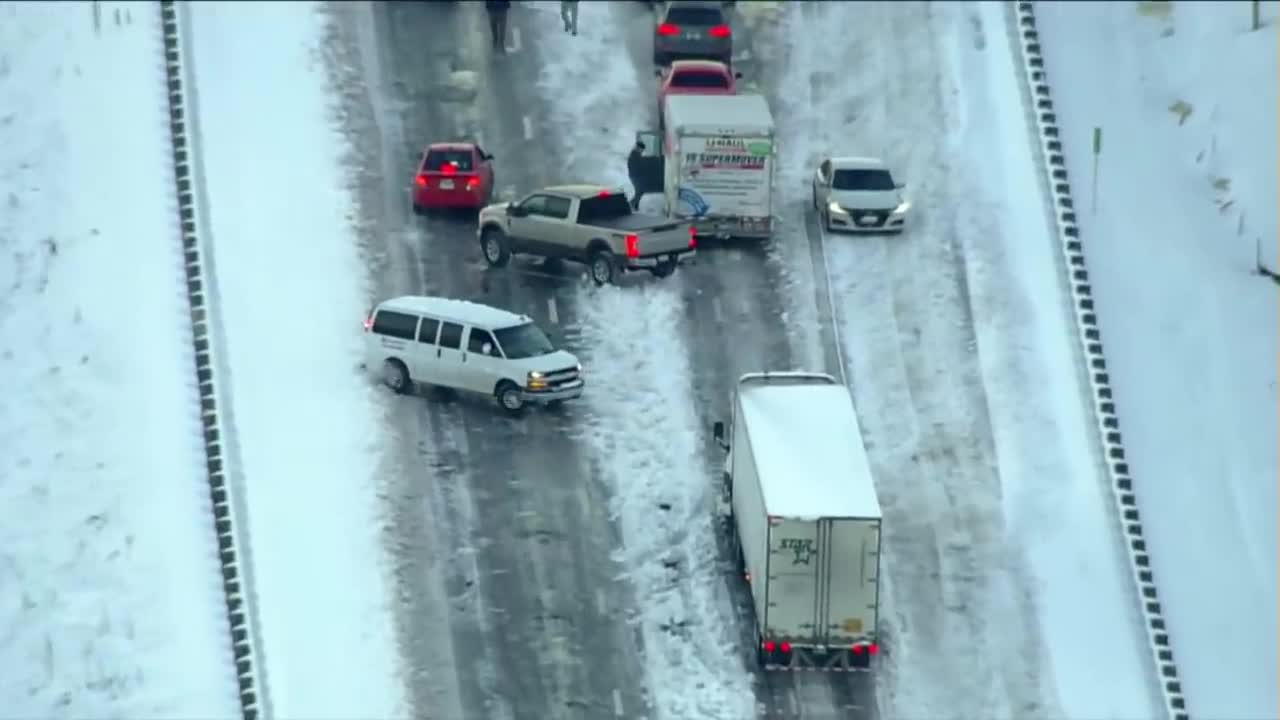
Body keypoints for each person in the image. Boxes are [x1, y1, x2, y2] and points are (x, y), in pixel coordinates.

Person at [627, 140, 646, 211]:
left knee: (639, 191)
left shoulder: (636, 154)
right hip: (635, 176)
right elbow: (635, 166)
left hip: (636, 175)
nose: (642, 151)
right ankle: (630, 205)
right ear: (638, 148)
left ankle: (635, 206)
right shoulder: (634, 155)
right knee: (640, 191)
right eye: (642, 149)